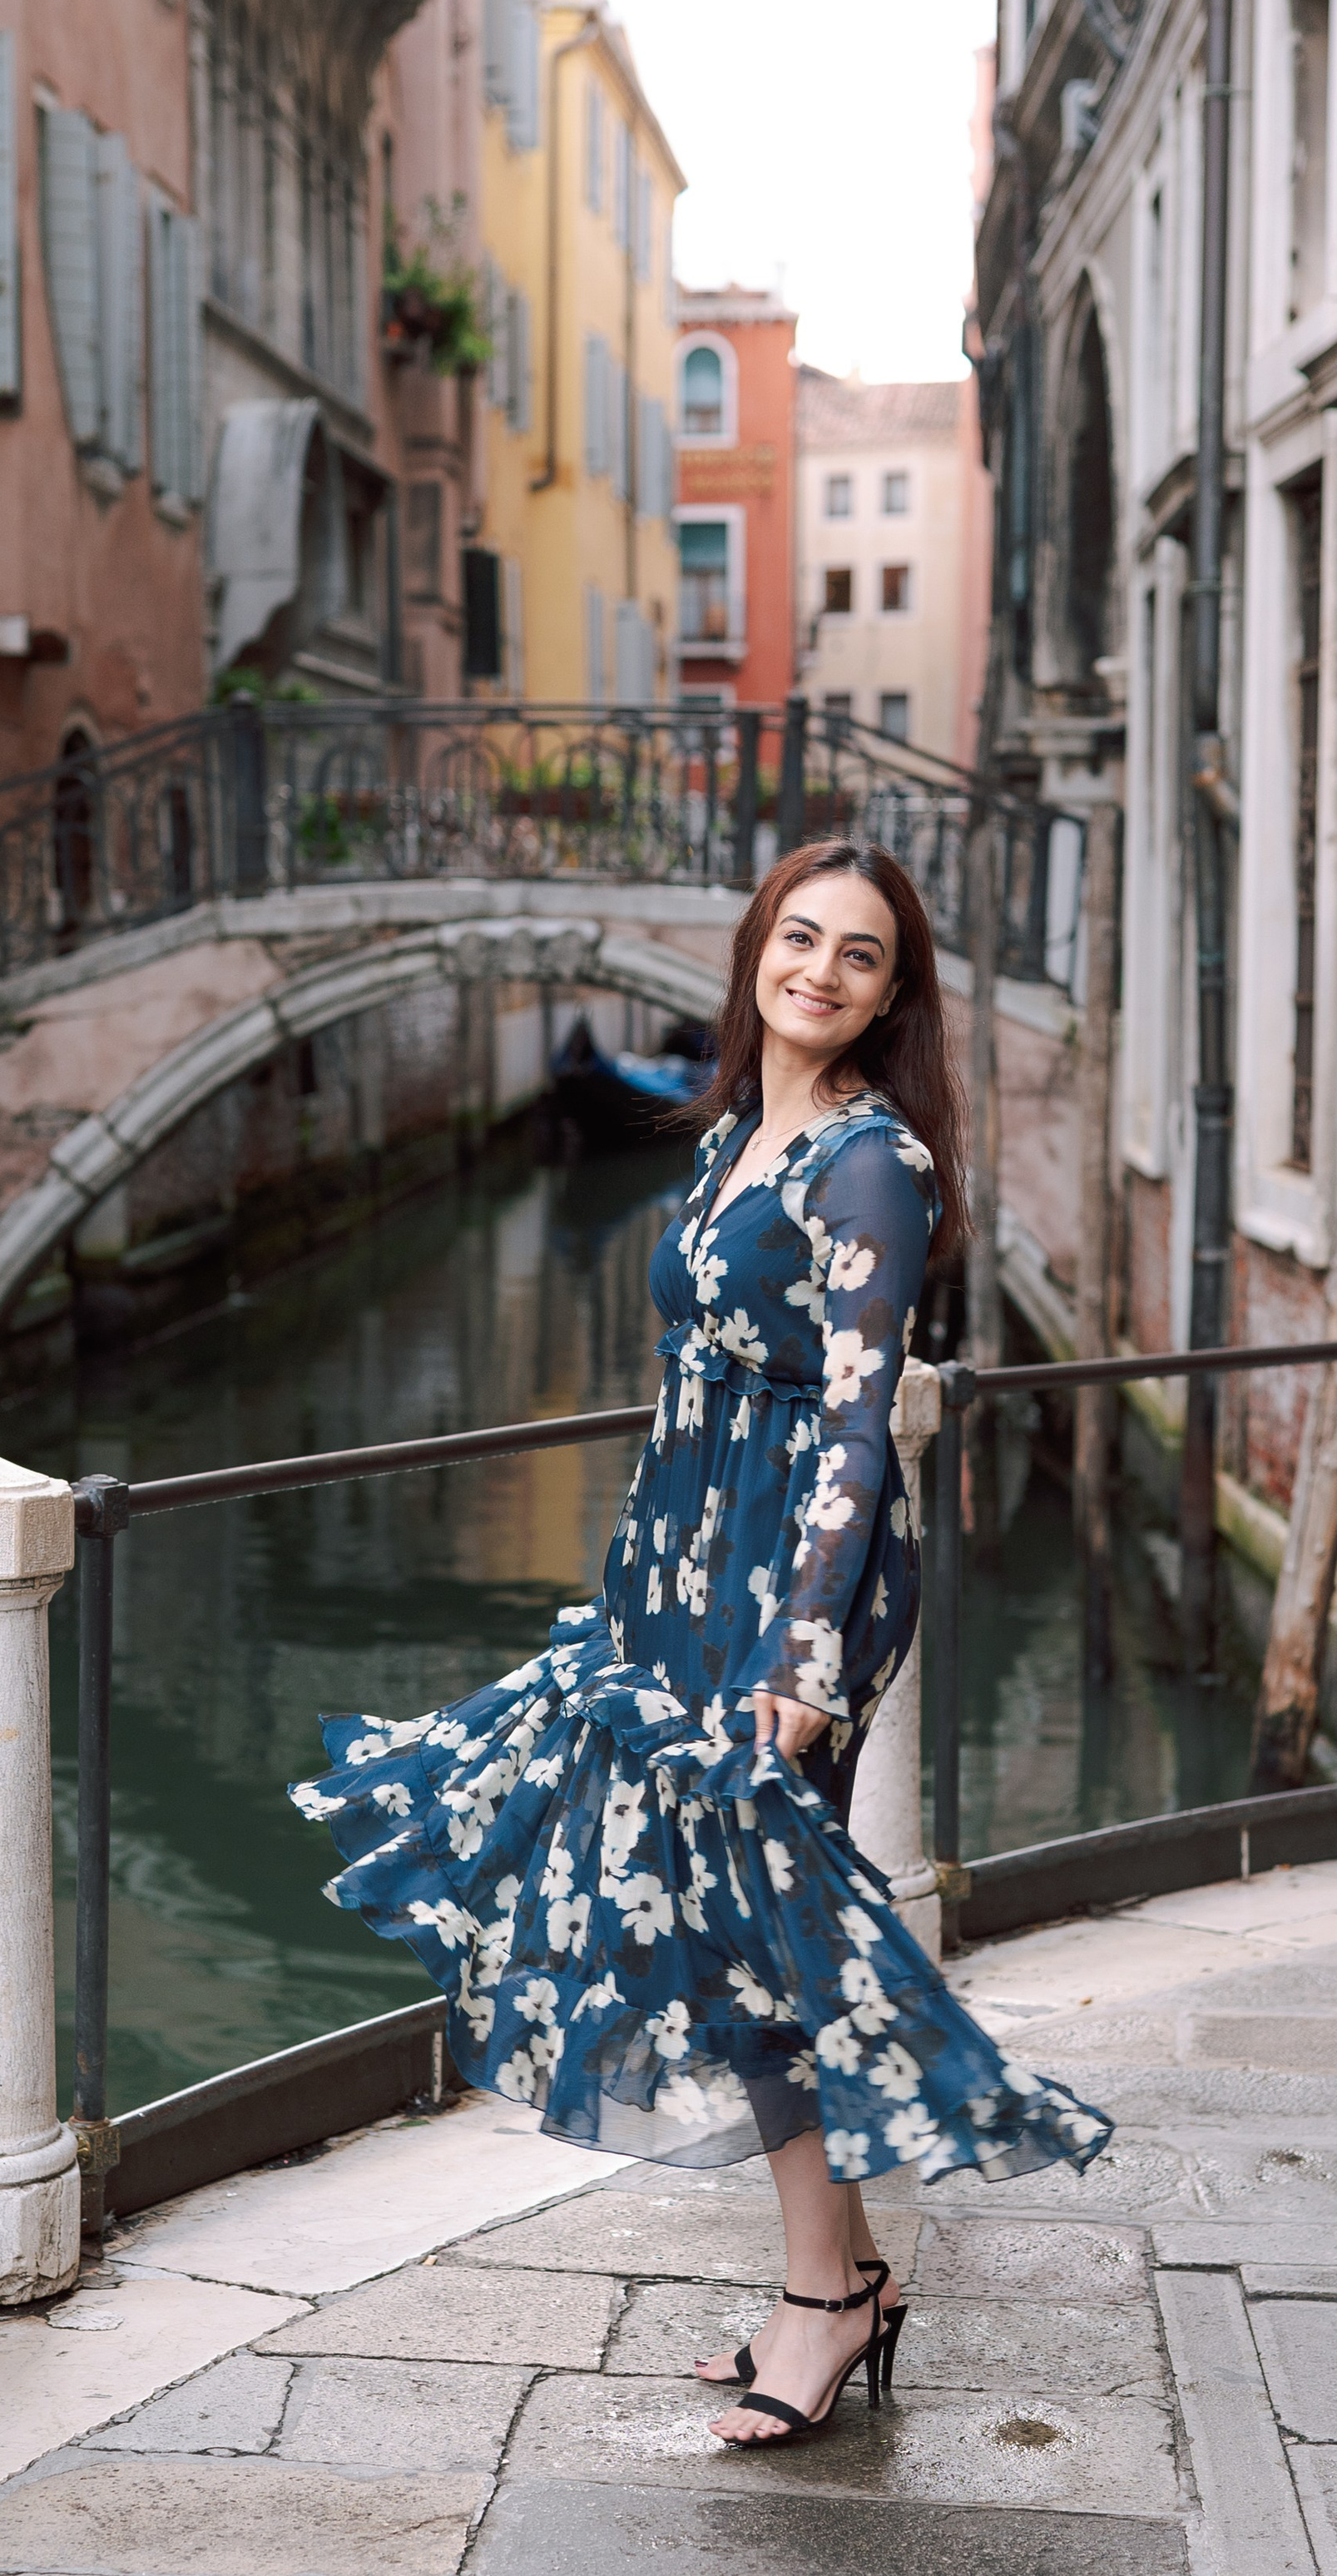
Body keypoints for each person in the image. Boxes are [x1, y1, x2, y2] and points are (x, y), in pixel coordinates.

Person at [291, 840, 1111, 2447]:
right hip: (679, 1569)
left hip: (793, 1591)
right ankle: (847, 2278)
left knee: (748, 1935)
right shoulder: (741, 1129)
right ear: (755, 950)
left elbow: (862, 1429)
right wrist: (631, 1585)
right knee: (709, 1913)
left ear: (893, 994)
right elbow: (698, 1389)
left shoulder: (873, 1164)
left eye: (859, 955)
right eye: (797, 937)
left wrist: (801, 1662)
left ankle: (823, 2296)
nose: (818, 969)